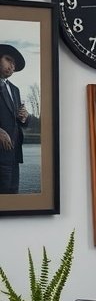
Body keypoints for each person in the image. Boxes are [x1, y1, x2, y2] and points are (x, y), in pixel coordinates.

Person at [0, 44, 29, 193]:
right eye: (8, 60)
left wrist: (24, 117)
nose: (12, 66)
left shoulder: (15, 89)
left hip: (13, 156)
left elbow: (19, 122)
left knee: (12, 198)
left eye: (14, 64)